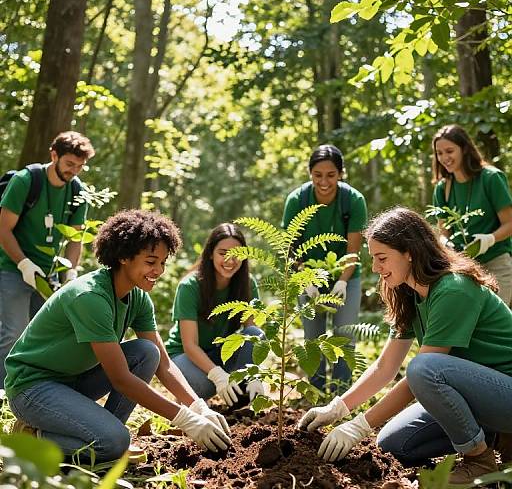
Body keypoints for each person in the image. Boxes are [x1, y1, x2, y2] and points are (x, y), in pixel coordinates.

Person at [298, 207, 512, 487]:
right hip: (478, 400)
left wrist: (359, 426)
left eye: (382, 258)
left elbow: (422, 376)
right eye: (373, 258)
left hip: (505, 393)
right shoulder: (410, 295)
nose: (375, 268)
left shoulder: (453, 290)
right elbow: (385, 367)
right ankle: (499, 438)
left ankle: (479, 461)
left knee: (424, 368)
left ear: (409, 251)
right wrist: (338, 408)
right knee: (394, 443)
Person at [5, 210, 231, 462]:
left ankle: (104, 434)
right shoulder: (90, 297)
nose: (159, 270)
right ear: (124, 257)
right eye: (151, 261)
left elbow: (163, 364)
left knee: (147, 352)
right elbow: (121, 379)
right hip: (33, 388)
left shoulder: (138, 297)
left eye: (163, 262)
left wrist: (197, 406)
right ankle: (31, 439)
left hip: (71, 382)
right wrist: (185, 420)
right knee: (114, 443)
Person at [0, 131, 96, 388]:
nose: (74, 171)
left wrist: (71, 273)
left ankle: (29, 389)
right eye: (69, 164)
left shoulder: (78, 191)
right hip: (12, 267)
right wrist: (23, 263)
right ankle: (2, 393)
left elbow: (75, 239)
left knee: (41, 337)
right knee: (13, 333)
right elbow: (3, 229)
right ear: (54, 155)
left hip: (48, 274)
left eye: (79, 166)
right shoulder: (25, 181)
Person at [282, 145, 367, 391]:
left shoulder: (353, 200)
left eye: (331, 175)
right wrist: (306, 279)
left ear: (341, 173)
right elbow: (291, 247)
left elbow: (353, 251)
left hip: (345, 277)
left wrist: (342, 281)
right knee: (313, 339)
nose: (324, 181)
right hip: (307, 276)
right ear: (310, 173)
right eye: (318, 175)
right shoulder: (297, 200)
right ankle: (316, 392)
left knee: (345, 336)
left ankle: (342, 393)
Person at [166, 223, 265, 407]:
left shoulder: (247, 284)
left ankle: (237, 400)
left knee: (256, 335)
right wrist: (218, 375)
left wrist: (253, 374)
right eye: (223, 253)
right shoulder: (189, 286)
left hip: (221, 353)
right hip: (185, 355)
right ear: (210, 253)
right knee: (205, 386)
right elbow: (189, 345)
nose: (230, 260)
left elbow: (253, 331)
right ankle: (185, 395)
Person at [432, 124, 512, 306]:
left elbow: (509, 223)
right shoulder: (442, 188)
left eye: (449, 151)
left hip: (496, 264)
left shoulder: (491, 178)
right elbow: (444, 230)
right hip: (463, 268)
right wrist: (445, 243)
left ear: (465, 149)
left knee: (495, 326)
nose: (444, 158)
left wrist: (490, 239)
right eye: (439, 153)